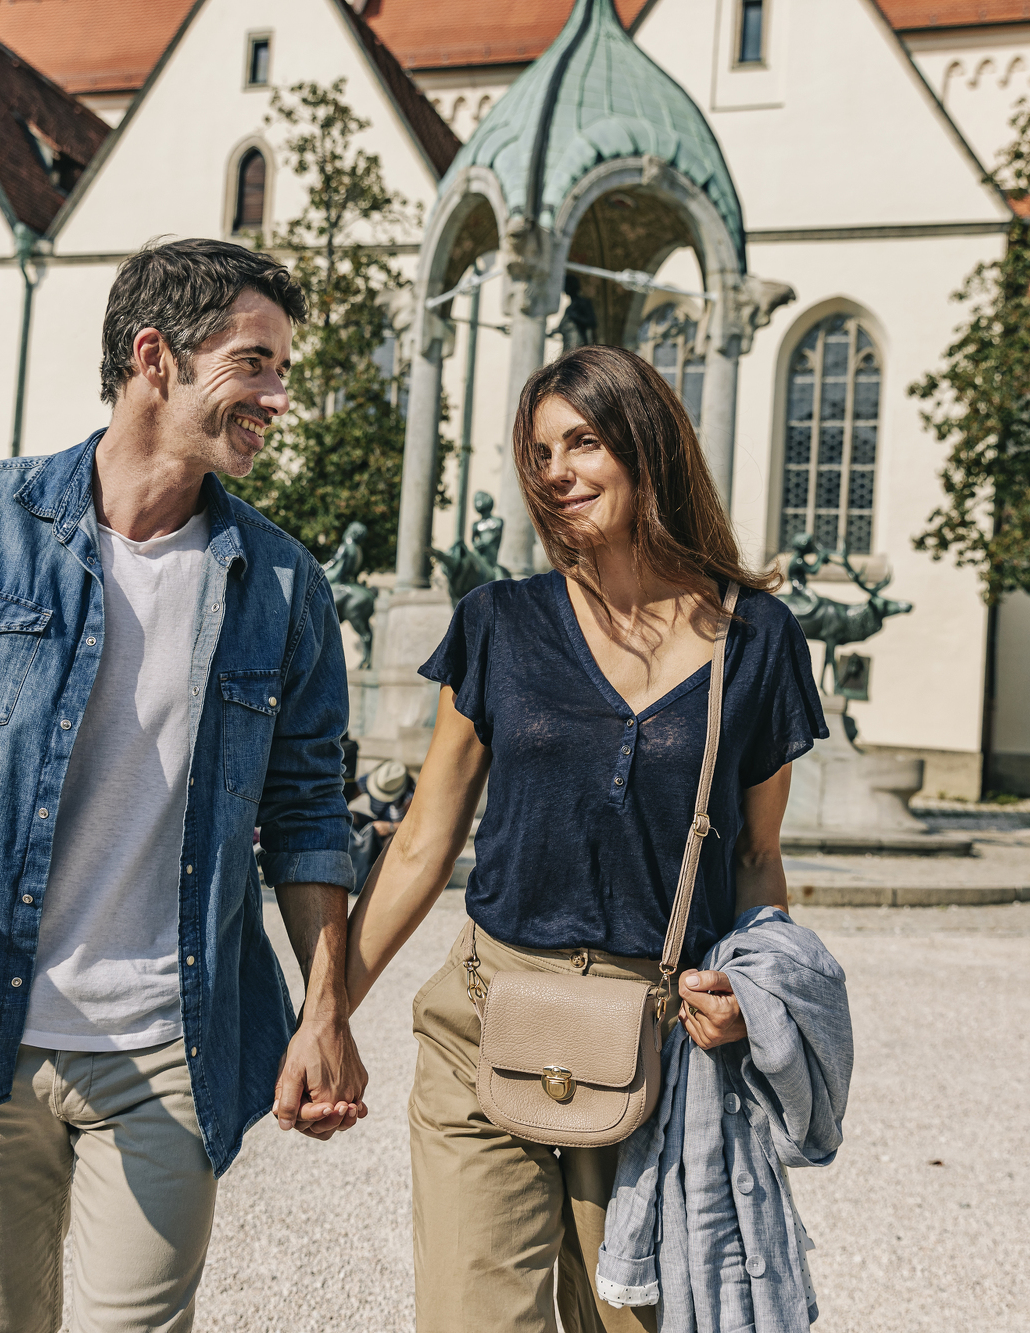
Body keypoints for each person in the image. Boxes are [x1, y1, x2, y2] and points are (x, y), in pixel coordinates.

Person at [0, 238, 366, 1332]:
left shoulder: (282, 583)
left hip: (170, 1044)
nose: (279, 396)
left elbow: (308, 816)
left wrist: (323, 1007)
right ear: (154, 358)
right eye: (255, 363)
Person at [343, 344, 826, 1332]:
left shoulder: (758, 638)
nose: (555, 471)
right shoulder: (498, 623)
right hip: (486, 1017)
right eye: (538, 454)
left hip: (657, 1048)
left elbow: (752, 858)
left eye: (583, 441)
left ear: (647, 447)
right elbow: (425, 837)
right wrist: (324, 1012)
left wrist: (754, 986)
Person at [348, 757, 416, 892]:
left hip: (398, 830)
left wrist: (390, 827)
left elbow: (415, 825)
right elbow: (347, 800)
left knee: (391, 842)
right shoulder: (369, 781)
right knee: (350, 816)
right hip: (377, 824)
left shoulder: (411, 795)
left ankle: (386, 882)